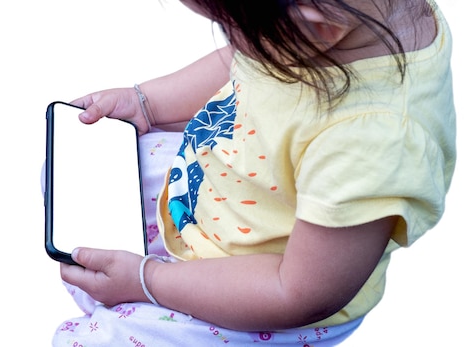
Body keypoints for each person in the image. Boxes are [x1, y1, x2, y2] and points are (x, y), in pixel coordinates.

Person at [50, 0, 456, 345]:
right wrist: (147, 104)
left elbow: (298, 293)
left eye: (229, 27)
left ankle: (130, 292)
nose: (231, 42)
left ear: (315, 28)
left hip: (265, 291)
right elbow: (239, 62)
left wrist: (147, 281)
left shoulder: (371, 144)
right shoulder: (323, 24)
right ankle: (123, 282)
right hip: (229, 180)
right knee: (84, 165)